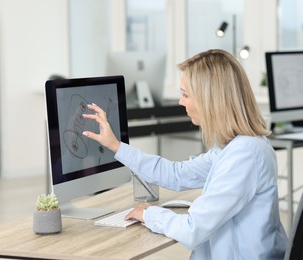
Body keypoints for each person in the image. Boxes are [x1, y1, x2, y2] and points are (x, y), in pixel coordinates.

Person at [82, 49, 287, 259]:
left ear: (210, 99)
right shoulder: (236, 147)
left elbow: (193, 230)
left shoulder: (244, 155)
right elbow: (177, 174)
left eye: (186, 94)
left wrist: (150, 214)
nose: (181, 102)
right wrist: (116, 146)